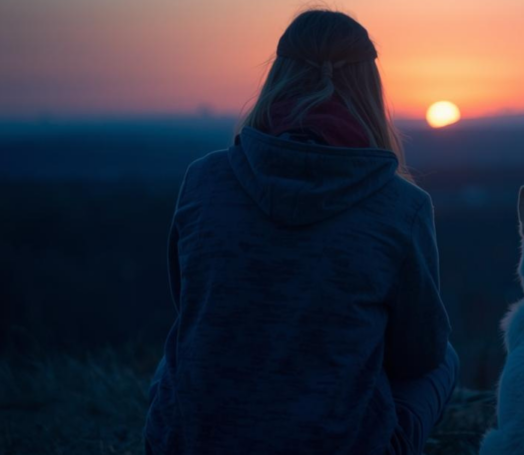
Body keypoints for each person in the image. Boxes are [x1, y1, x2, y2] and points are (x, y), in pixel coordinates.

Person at [143, 9, 458, 455]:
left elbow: (193, 307)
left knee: (180, 347)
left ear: (278, 77)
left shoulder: (204, 180)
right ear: (368, 88)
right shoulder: (400, 206)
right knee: (444, 359)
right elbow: (419, 353)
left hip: (197, 442)